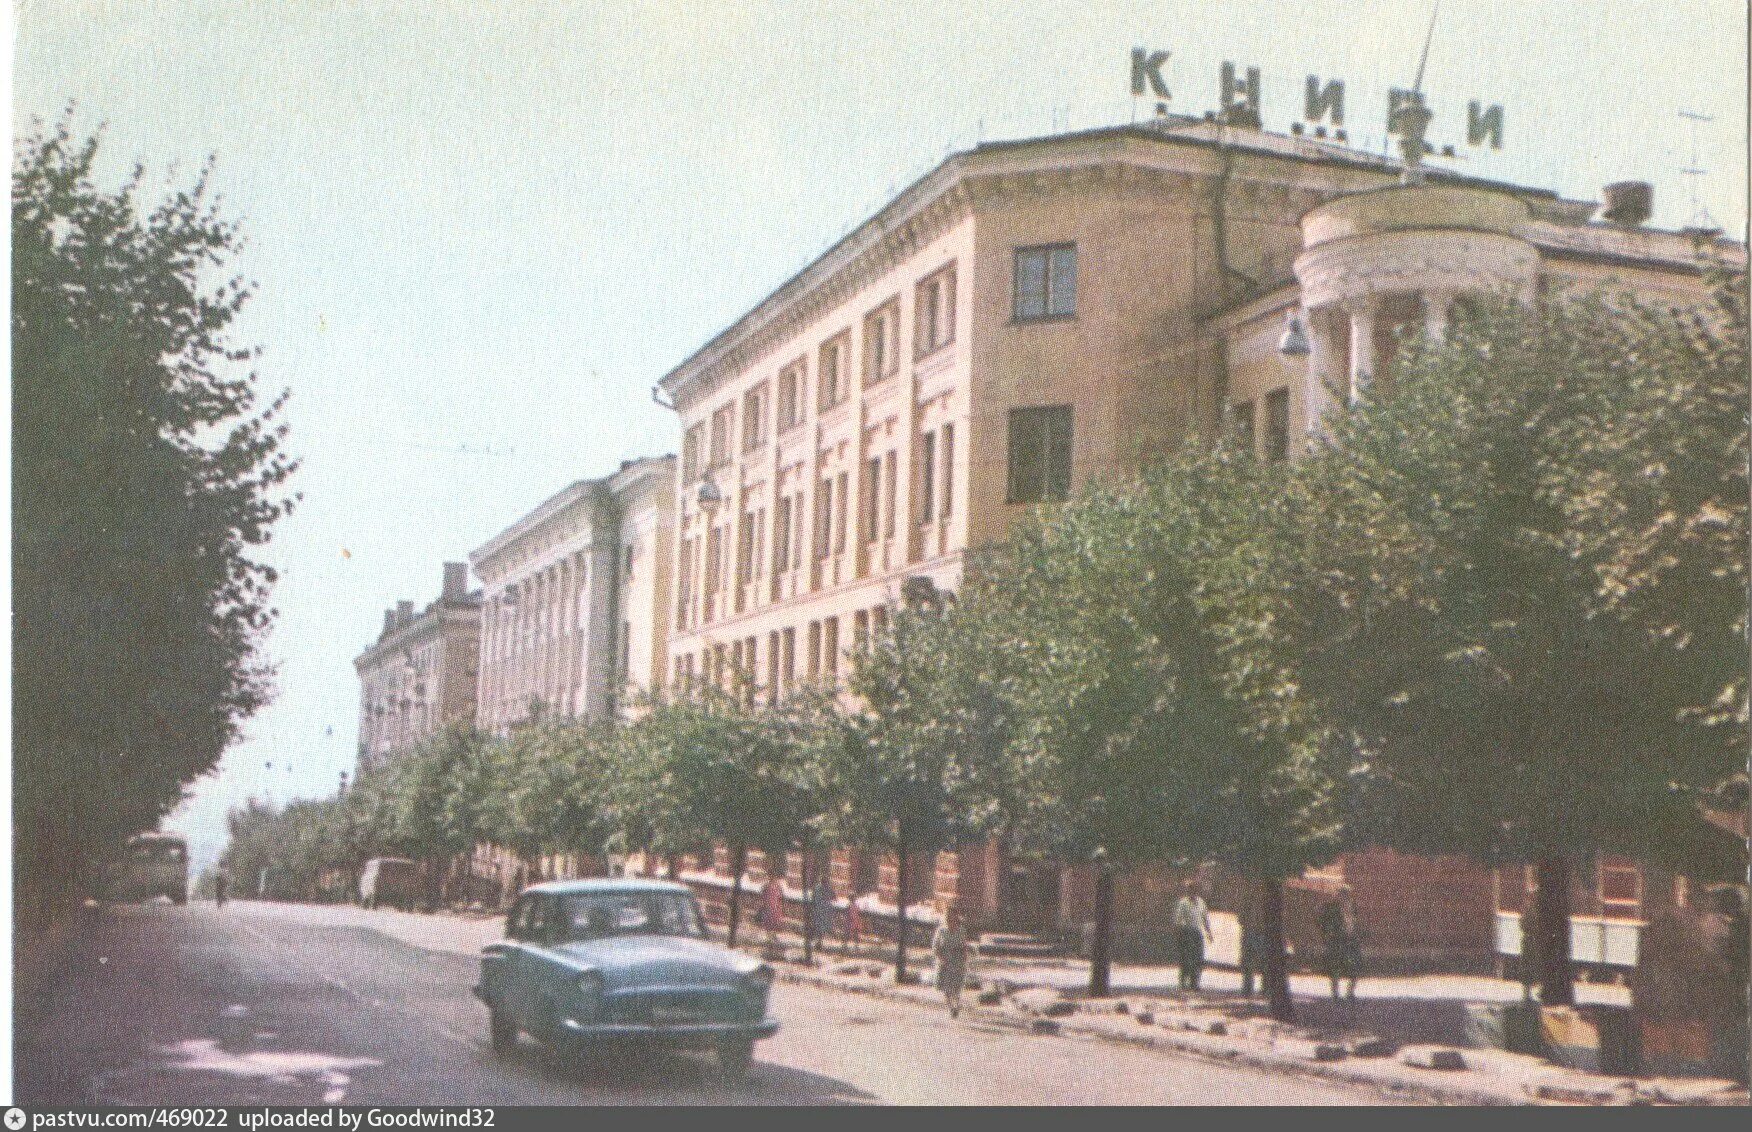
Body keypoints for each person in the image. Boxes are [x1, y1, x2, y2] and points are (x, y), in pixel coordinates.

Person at [1316, 884, 1363, 1001]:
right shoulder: (1331, 907)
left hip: (1351, 940)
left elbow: (1355, 923)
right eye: (1343, 895)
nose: (1345, 897)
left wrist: (1357, 935)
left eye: (1347, 895)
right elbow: (1321, 921)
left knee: (1356, 966)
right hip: (1336, 941)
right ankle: (1335, 994)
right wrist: (1327, 934)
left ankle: (1350, 992)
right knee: (1335, 967)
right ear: (1338, 896)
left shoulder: (1353, 907)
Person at [1172, 879, 1213, 991]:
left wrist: (1209, 932)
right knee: (1187, 958)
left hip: (1197, 933)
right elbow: (1178, 919)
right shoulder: (1183, 903)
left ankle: (1195, 983)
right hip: (1187, 933)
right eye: (1191, 889)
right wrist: (1179, 932)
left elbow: (1205, 918)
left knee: (1198, 959)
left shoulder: (1201, 902)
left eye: (1195, 890)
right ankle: (1183, 982)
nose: (1193, 892)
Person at [931, 902, 971, 1018]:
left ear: (956, 917)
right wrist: (940, 958)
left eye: (953, 916)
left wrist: (965, 959)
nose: (950, 919)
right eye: (948, 916)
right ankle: (951, 1007)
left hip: (957, 961)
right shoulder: (941, 931)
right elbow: (935, 947)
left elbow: (964, 946)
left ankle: (956, 1005)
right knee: (946, 988)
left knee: (957, 987)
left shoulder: (961, 930)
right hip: (945, 962)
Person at [808, 876, 837, 953]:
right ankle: (819, 943)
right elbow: (834, 898)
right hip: (823, 912)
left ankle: (818, 942)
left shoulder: (818, 888)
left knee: (818, 927)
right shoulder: (827, 889)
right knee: (821, 927)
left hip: (819, 911)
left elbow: (813, 899)